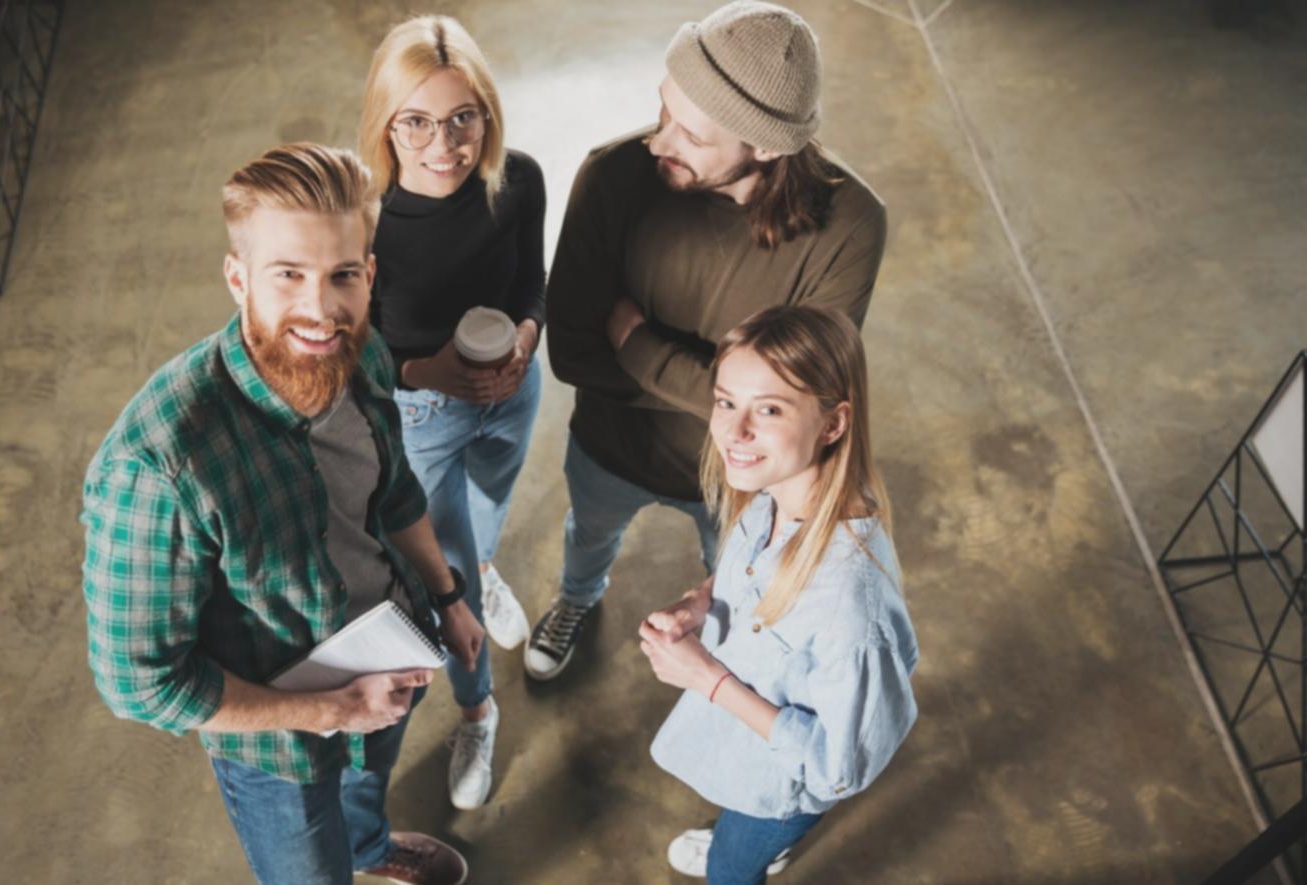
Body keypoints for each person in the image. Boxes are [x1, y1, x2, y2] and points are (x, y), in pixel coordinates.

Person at [81, 143, 483, 885]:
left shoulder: (357, 353)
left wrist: (449, 596)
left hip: (387, 648)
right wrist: (328, 707)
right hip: (277, 746)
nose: (321, 309)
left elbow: (393, 491)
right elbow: (140, 683)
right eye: (288, 274)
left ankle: (368, 850)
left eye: (343, 275)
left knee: (367, 782)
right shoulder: (159, 466)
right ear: (238, 278)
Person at [531, 0, 888, 680]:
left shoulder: (853, 226)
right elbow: (573, 351)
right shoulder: (613, 176)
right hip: (612, 448)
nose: (658, 142)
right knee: (588, 538)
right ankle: (578, 599)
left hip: (747, 479)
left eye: (692, 136)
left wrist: (636, 345)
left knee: (735, 580)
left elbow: (801, 398)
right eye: (664, 110)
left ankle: (727, 653)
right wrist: (733, 393)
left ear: (769, 148)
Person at [639, 305, 918, 883]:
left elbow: (836, 771)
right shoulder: (773, 492)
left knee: (730, 868)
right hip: (745, 745)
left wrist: (706, 680)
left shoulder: (850, 602)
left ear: (833, 424)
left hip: (781, 784)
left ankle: (754, 848)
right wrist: (700, 600)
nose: (733, 433)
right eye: (726, 401)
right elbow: (749, 574)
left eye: (768, 409)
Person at [358, 14, 545, 810]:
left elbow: (531, 279)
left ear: (487, 115)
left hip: (510, 390)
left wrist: (528, 337)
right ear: (386, 125)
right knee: (450, 578)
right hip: (421, 414)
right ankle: (478, 706)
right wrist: (421, 369)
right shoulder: (366, 222)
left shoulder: (518, 180)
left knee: (492, 504)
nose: (445, 144)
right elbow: (352, 347)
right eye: (418, 122)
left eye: (464, 118)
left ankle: (491, 561)